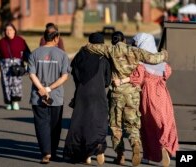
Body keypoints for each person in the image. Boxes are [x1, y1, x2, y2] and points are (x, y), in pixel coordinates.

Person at [84, 31, 168, 166]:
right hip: (133, 94)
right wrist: (164, 53)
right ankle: (135, 144)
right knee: (133, 124)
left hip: (116, 93)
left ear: (113, 41)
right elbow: (154, 59)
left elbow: (92, 47)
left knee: (116, 126)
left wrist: (87, 46)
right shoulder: (135, 51)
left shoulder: (110, 50)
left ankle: (120, 155)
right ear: (124, 40)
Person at [114, 33, 179, 167]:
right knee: (166, 122)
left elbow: (136, 78)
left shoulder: (141, 64)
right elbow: (168, 72)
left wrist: (120, 81)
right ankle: (165, 146)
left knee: (148, 127)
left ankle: (148, 156)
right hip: (163, 95)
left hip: (148, 96)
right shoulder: (162, 63)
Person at [63, 33, 111, 165]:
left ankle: (86, 155)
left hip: (82, 94)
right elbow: (107, 81)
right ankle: (99, 148)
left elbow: (75, 74)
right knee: (98, 123)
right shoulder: (104, 58)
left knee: (81, 123)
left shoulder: (80, 55)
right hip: (98, 94)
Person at [28, 24, 70, 164]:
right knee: (55, 126)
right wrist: (49, 89)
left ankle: (46, 152)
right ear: (56, 38)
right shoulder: (62, 55)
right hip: (56, 97)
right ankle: (52, 151)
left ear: (44, 38)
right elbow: (65, 76)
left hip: (38, 96)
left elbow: (31, 74)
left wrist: (41, 88)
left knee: (41, 124)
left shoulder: (34, 54)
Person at [0, 23, 31, 110]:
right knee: (6, 84)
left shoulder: (20, 40)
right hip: (5, 66)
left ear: (14, 31)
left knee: (16, 84)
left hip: (17, 66)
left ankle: (15, 101)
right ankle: (8, 102)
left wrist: (30, 63)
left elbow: (27, 52)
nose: (8, 32)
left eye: (10, 30)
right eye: (7, 30)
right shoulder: (2, 42)